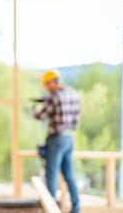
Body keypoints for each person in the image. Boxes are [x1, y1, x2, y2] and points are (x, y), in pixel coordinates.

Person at [33, 70, 81, 213]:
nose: (47, 88)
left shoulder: (54, 98)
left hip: (56, 139)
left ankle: (50, 208)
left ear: (52, 82)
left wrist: (34, 109)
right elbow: (76, 121)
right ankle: (76, 208)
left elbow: (41, 116)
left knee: (51, 174)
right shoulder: (73, 95)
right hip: (69, 138)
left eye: (47, 84)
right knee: (69, 174)